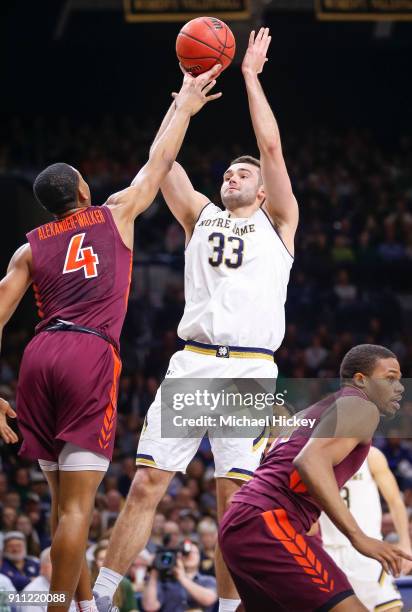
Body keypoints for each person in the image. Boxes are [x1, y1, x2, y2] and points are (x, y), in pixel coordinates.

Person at [0, 64, 222, 612]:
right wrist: (185, 106)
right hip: (87, 353)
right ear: (81, 188)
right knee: (78, 510)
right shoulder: (113, 213)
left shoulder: (28, 248)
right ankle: (59, 608)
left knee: (61, 505)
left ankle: (78, 604)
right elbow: (158, 163)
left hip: (38, 355)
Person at [94, 28, 299, 612]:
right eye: (228, 174)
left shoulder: (279, 222)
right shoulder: (199, 217)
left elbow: (272, 148)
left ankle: (231, 607)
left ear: (263, 191)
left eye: (243, 175)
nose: (232, 177)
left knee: (233, 501)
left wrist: (251, 78)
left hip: (251, 373)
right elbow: (163, 160)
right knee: (146, 483)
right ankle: (102, 598)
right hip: (194, 363)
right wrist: (181, 99)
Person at [219, 344, 412, 611]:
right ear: (360, 380)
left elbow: (287, 475)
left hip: (242, 522)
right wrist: (359, 537)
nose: (399, 387)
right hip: (268, 523)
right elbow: (309, 462)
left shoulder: (307, 415)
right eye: (389, 378)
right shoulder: (361, 407)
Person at [319, 446, 412, 611]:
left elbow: (395, 501)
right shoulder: (311, 455)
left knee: (390, 607)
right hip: (325, 550)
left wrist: (405, 543)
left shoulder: (372, 456)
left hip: (368, 551)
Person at [141, 542, 217, 612]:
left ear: (200, 557)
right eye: (185, 553)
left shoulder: (208, 580)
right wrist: (154, 570)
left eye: (193, 552)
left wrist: (182, 577)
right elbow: (149, 607)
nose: (189, 555)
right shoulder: (164, 580)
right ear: (177, 556)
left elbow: (208, 599)